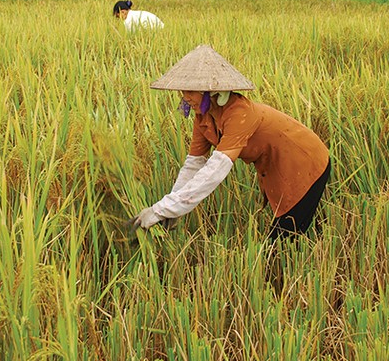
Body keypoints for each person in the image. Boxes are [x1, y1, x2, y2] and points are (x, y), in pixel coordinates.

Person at [130, 45, 332, 240]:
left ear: (212, 91)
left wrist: (160, 210)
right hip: (274, 166)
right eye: (182, 91)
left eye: (191, 91)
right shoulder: (203, 117)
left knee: (283, 240)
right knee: (291, 231)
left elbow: (215, 171)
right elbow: (193, 165)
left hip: (305, 162)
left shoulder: (239, 114)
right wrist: (170, 210)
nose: (185, 98)